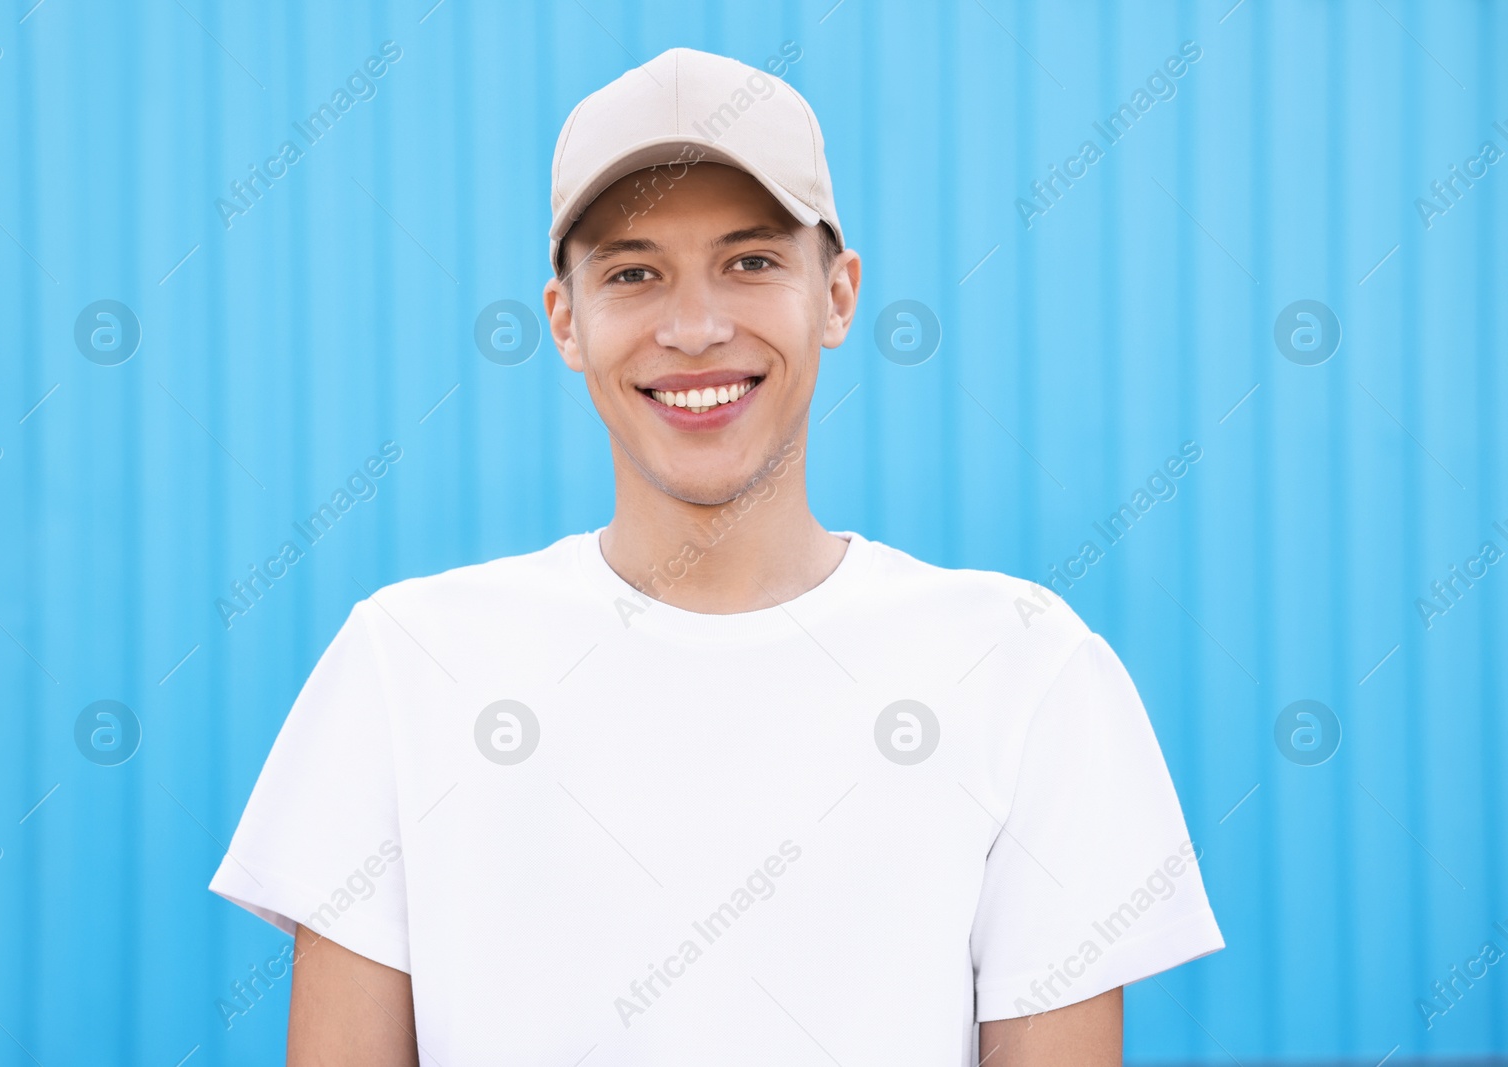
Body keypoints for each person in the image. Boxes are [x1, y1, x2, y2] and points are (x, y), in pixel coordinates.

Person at [209, 45, 1224, 1066]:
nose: (693, 329)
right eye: (633, 272)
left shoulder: (1022, 667)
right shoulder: (407, 665)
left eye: (750, 262)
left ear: (837, 293)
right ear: (566, 319)